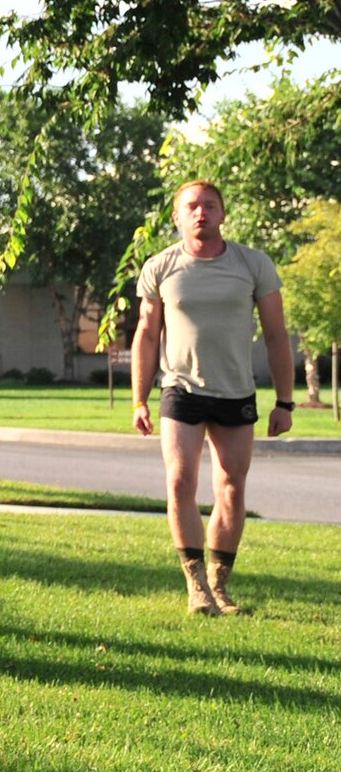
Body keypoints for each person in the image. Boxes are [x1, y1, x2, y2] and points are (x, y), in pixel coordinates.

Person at [130, 180, 294, 615]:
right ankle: (196, 585)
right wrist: (139, 400)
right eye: (191, 206)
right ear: (177, 217)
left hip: (236, 392)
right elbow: (146, 335)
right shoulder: (160, 266)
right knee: (180, 481)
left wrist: (285, 401)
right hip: (180, 389)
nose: (200, 212)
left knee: (232, 489)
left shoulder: (253, 264)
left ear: (223, 214)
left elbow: (277, 336)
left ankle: (221, 585)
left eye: (209, 205)